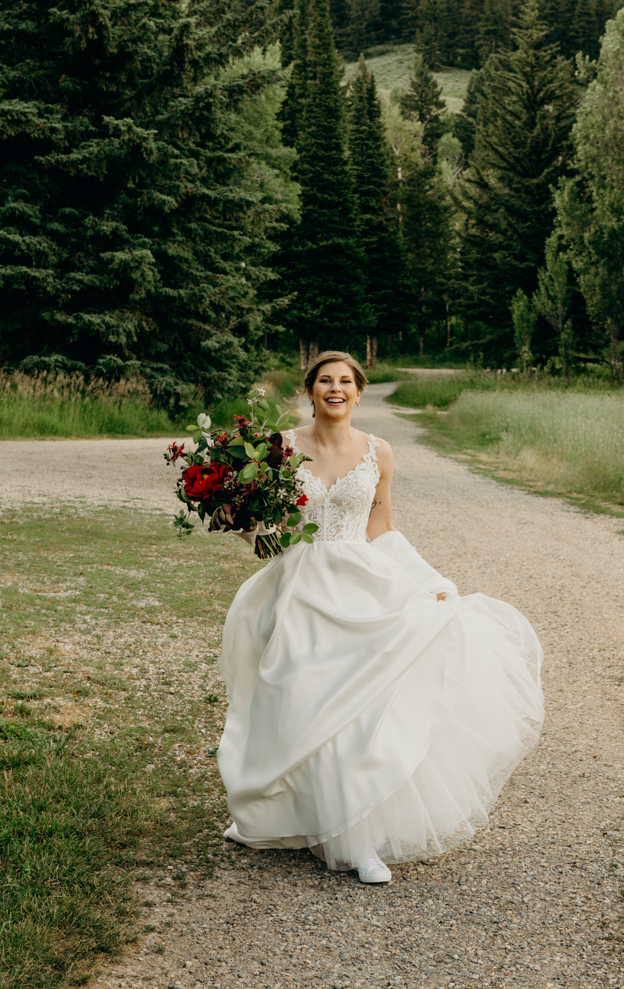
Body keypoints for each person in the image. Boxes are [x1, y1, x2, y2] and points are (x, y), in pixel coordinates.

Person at [215, 351, 545, 884]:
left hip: (361, 584)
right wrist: (248, 529)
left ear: (359, 392)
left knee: (358, 708)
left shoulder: (379, 452)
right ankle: (282, 814)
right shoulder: (279, 450)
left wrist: (426, 579)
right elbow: (257, 525)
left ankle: (358, 839)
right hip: (298, 583)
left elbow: (382, 528)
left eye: (346, 381)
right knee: (298, 698)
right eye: (325, 381)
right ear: (310, 390)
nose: (335, 389)